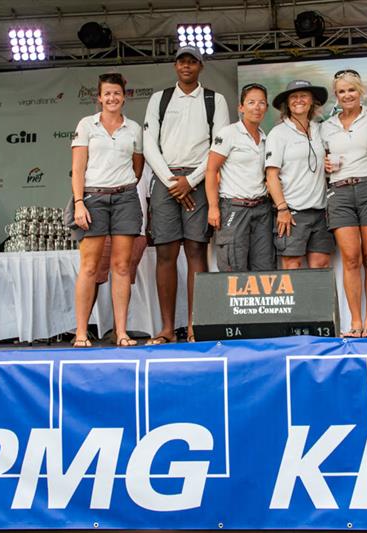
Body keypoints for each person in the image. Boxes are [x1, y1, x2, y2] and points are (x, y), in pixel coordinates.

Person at [143, 45, 230, 344]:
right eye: (182, 61)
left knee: (196, 251)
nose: (187, 66)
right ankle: (168, 328)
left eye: (193, 61)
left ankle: (196, 326)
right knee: (166, 253)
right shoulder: (160, 98)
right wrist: (171, 181)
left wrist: (190, 180)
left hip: (198, 178)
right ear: (175, 65)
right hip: (166, 179)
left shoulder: (214, 100)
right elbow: (148, 143)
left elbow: (219, 145)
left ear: (201, 67)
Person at [71, 73, 145, 347]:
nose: (112, 98)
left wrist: (121, 187)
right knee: (89, 267)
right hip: (93, 199)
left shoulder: (134, 128)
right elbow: (78, 168)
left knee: (122, 267)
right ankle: (80, 333)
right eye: (107, 94)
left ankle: (121, 332)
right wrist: (79, 202)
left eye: (117, 93)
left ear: (124, 96)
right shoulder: (86, 125)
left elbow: (137, 168)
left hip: (125, 197)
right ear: (99, 97)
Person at [319, 70, 367, 338]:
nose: (347, 95)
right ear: (336, 96)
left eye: (351, 90)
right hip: (339, 192)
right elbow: (322, 161)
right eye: (341, 91)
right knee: (351, 259)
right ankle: (355, 322)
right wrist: (327, 166)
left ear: (360, 91)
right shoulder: (326, 126)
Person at [264, 80, 333, 270]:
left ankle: (316, 302)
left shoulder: (320, 129)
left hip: (320, 212)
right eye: (293, 97)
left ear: (312, 100)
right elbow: (271, 176)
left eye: (303, 95)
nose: (298, 100)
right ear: (287, 103)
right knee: (291, 267)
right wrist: (282, 209)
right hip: (292, 212)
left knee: (320, 267)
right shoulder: (278, 133)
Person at [206, 83, 274, 272]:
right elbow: (211, 170)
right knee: (233, 268)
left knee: (264, 269)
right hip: (234, 208)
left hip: (261, 209)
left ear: (266, 108)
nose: (257, 107)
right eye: (251, 102)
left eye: (261, 103)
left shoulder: (266, 137)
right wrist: (213, 207)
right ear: (241, 107)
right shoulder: (228, 133)